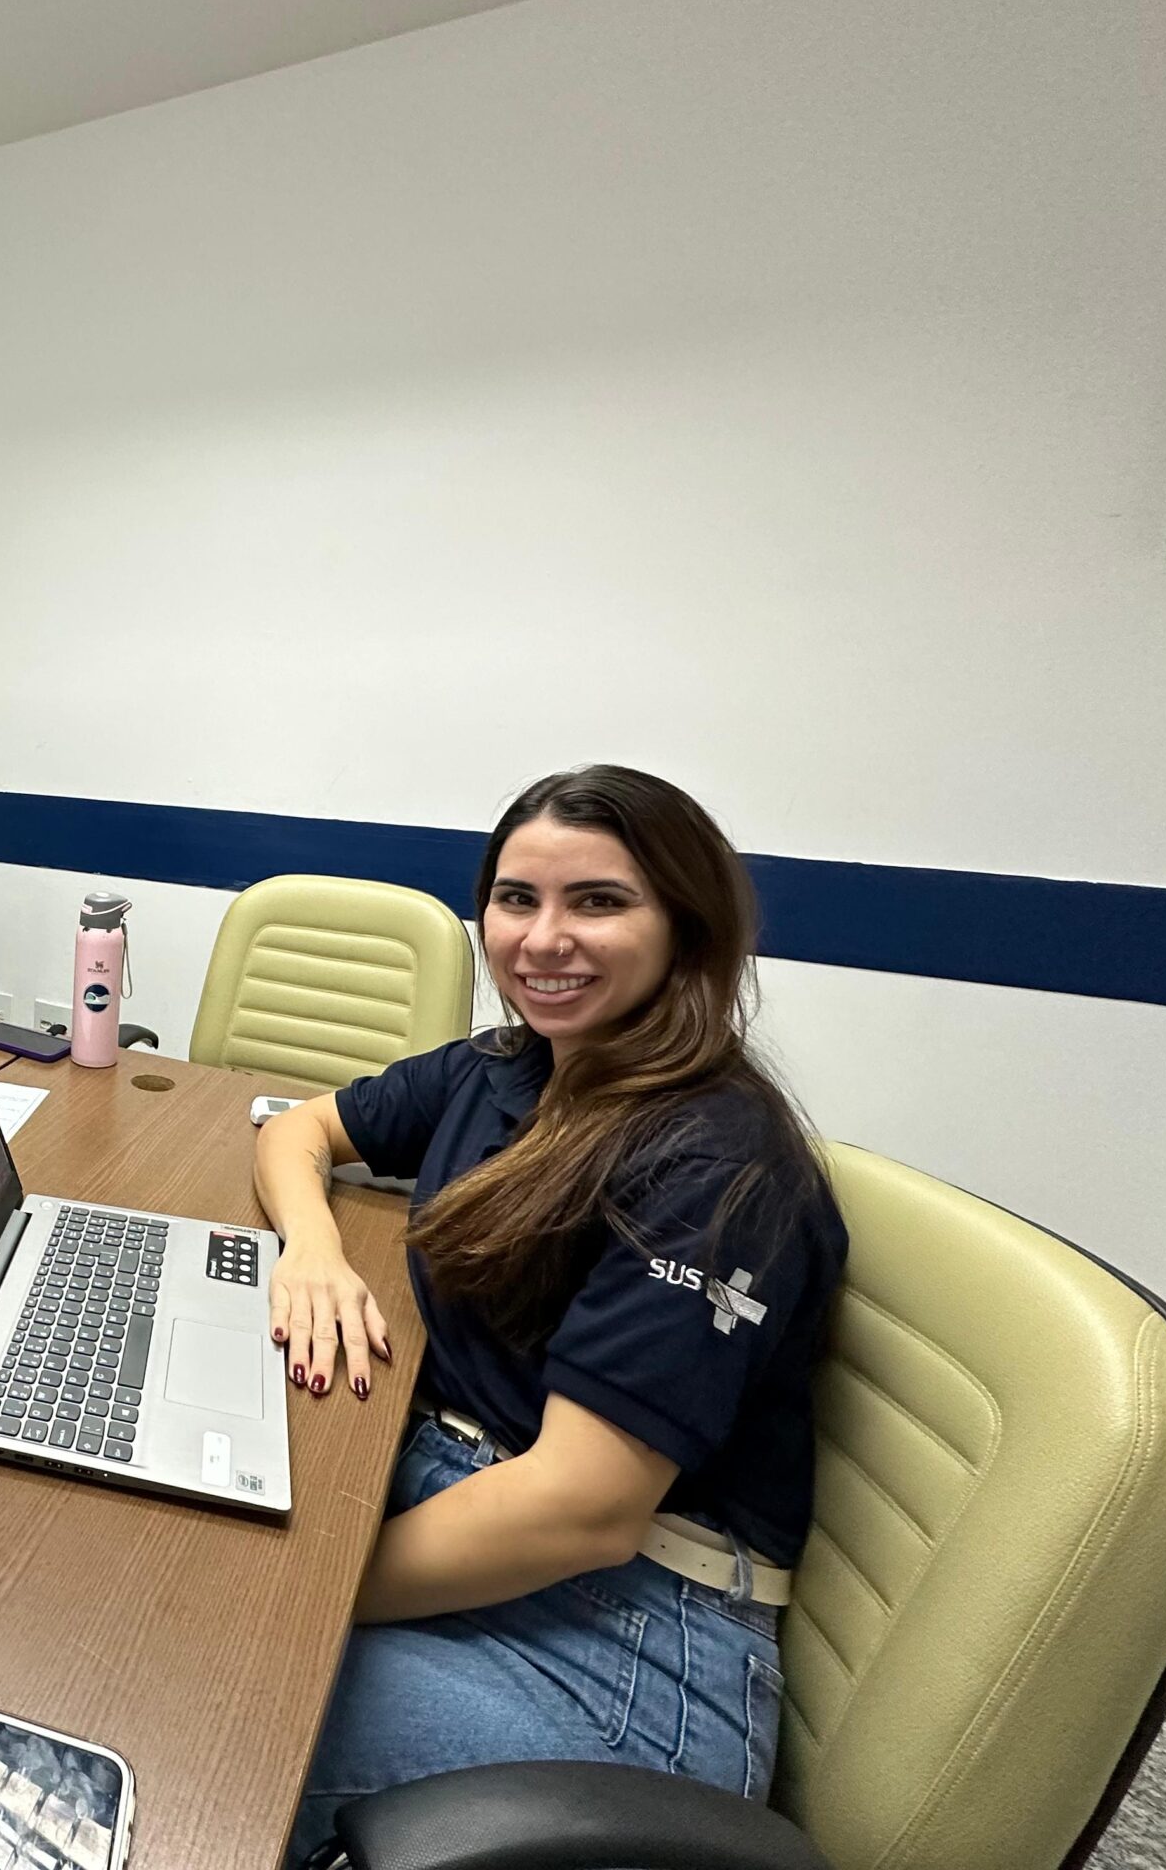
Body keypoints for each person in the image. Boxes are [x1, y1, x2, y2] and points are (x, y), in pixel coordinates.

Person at [256, 766, 846, 1865]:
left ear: (687, 927)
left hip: (623, 1649)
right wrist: (315, 1252)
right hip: (476, 1500)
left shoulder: (713, 1162)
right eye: (516, 899)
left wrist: (293, 1598)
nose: (542, 939)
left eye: (599, 903)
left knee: (215, 1690)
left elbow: (582, 1510)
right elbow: (295, 1133)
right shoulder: (512, 1068)